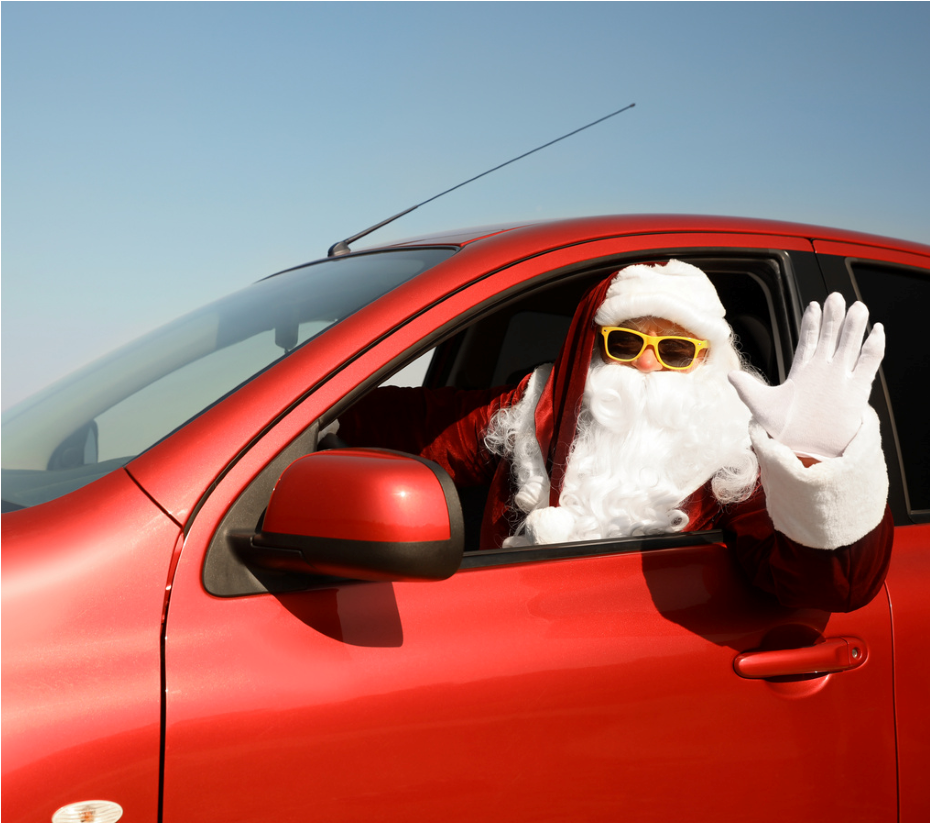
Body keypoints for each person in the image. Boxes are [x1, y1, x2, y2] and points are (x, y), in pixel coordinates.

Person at [339, 260, 893, 612]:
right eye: (626, 344)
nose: (647, 366)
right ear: (596, 347)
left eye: (675, 351)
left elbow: (827, 589)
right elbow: (411, 421)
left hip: (639, 685)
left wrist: (818, 462)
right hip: (507, 648)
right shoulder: (538, 409)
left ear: (708, 361)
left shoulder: (735, 454)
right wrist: (311, 407)